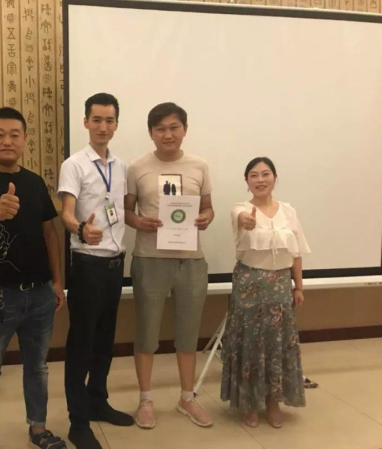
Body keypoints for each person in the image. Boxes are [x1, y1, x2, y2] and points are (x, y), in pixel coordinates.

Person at [0, 107, 67, 449]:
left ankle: (38, 428)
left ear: (24, 140)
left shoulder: (34, 182)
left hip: (40, 294)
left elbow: (50, 233)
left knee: (38, 367)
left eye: (14, 135)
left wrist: (57, 282)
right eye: (0, 134)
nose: (7, 141)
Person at [125, 102, 215, 429]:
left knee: (188, 333)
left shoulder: (199, 166)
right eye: (160, 128)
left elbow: (208, 208)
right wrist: (139, 222)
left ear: (184, 130)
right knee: (147, 333)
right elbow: (127, 211)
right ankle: (146, 400)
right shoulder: (137, 167)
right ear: (151, 132)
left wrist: (205, 218)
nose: (168, 134)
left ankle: (187, 398)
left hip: (191, 260)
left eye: (174, 127)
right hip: (150, 260)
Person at [58, 93, 133, 449]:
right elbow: (66, 212)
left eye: (109, 120)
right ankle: (78, 422)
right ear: (85, 122)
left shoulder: (120, 166)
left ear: (116, 124)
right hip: (88, 265)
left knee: (105, 340)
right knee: (82, 344)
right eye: (97, 120)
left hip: (115, 265)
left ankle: (98, 402)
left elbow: (120, 210)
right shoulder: (74, 164)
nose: (103, 126)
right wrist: (80, 229)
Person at [220, 157, 310, 428]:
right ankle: (250, 403)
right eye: (254, 175)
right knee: (250, 343)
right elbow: (242, 220)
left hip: (281, 285)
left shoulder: (288, 211)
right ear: (247, 181)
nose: (260, 179)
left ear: (275, 178)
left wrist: (299, 286)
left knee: (277, 344)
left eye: (265, 174)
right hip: (249, 283)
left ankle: (273, 402)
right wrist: (247, 221)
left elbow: (295, 253)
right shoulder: (240, 209)